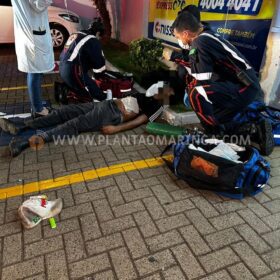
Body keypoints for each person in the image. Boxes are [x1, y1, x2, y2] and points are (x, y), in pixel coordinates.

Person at [171, 11, 274, 155]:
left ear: (186, 33)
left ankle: (214, 134)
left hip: (244, 88)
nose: (179, 40)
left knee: (195, 93)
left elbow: (201, 78)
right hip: (246, 86)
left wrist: (176, 58)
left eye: (178, 36)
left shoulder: (200, 42)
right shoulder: (207, 36)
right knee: (218, 119)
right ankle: (254, 130)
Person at [0, 93, 165, 157]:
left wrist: (116, 129)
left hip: (111, 115)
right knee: (64, 112)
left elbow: (140, 121)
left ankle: (24, 144)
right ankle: (23, 125)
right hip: (104, 105)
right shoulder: (151, 91)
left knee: (72, 125)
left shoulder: (159, 106)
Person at [11, 0, 55, 117]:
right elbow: (39, 4)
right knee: (35, 73)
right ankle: (38, 109)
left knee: (35, 72)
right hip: (33, 37)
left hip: (29, 33)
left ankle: (37, 104)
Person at [59, 18, 107, 101]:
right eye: (100, 37)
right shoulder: (92, 40)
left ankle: (71, 92)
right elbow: (99, 65)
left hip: (62, 66)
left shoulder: (77, 33)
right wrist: (100, 77)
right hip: (72, 71)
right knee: (97, 95)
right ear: (98, 33)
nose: (99, 39)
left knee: (81, 88)